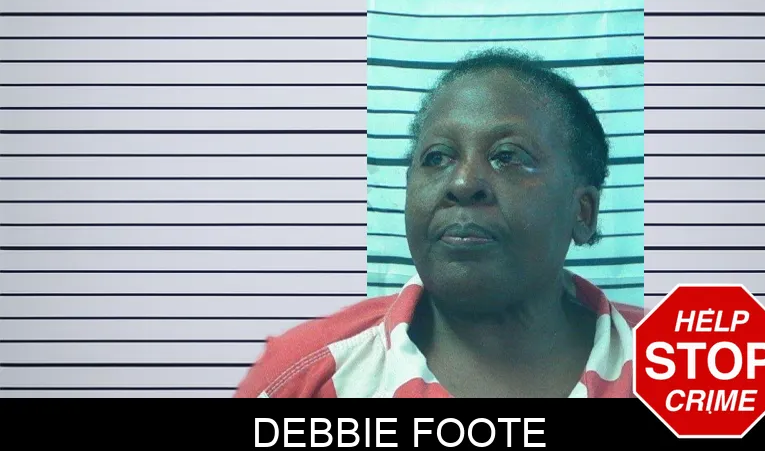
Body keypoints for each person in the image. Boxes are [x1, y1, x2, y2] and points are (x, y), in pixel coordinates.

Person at [235, 48, 644, 398]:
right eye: (437, 158)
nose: (463, 183)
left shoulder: (670, 364)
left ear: (583, 212)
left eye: (507, 156)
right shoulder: (303, 377)